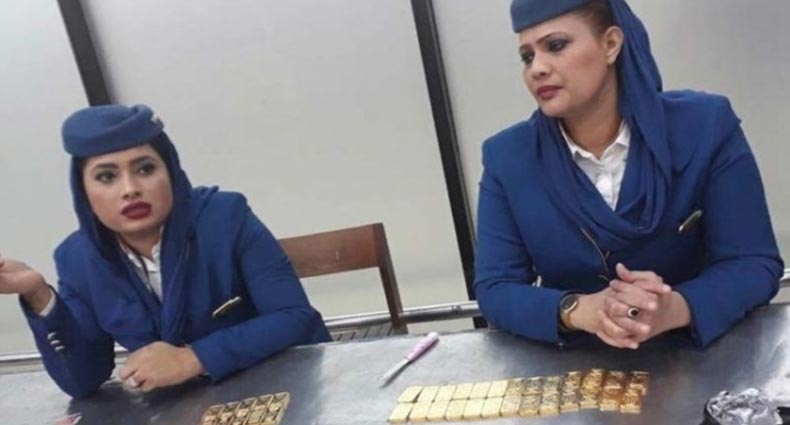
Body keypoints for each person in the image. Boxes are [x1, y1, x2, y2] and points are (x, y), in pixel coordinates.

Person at [474, 0, 783, 350]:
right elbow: (495, 288)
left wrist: (673, 308)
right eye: (527, 57)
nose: (537, 69)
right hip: (575, 365)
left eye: (556, 46)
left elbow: (752, 262)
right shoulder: (508, 158)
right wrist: (580, 310)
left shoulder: (704, 128)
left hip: (698, 356)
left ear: (611, 44)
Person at [0, 104, 330, 398]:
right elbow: (84, 379)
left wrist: (193, 358)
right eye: (107, 176)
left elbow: (295, 317)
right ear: (83, 192)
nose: (130, 189)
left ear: (170, 171)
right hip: (189, 407)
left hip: (289, 385)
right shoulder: (76, 259)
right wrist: (38, 295)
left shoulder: (226, 217)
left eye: (145, 169)